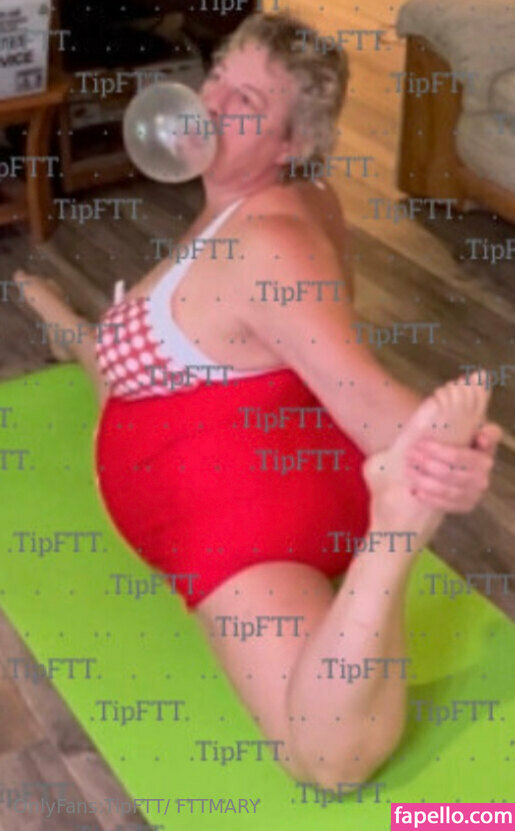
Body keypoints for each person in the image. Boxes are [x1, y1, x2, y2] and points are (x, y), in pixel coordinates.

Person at [15, 12, 501, 792]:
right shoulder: (292, 198)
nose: (207, 102)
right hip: (267, 450)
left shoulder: (266, 245)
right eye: (216, 76)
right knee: (107, 358)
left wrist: (434, 455)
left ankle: (392, 534)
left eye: (243, 101)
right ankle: (68, 324)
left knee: (327, 759)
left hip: (246, 517)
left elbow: (356, 389)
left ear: (291, 143)